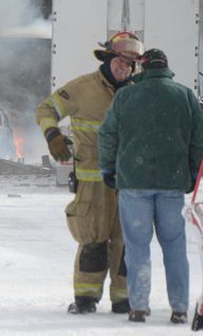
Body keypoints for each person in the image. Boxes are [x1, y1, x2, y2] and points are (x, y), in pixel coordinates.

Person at [35, 31, 144, 315]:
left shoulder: (137, 92)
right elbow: (47, 107)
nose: (126, 68)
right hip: (93, 181)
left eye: (131, 64)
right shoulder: (83, 88)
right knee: (93, 240)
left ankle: (124, 300)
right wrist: (52, 134)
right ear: (108, 59)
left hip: (129, 181)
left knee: (126, 243)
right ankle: (85, 299)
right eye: (121, 61)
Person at [98, 49, 203, 324]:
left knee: (137, 247)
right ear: (166, 68)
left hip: (134, 182)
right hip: (172, 183)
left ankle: (138, 306)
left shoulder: (125, 96)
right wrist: (193, 173)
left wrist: (109, 168)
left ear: (143, 69)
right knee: (174, 246)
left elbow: (107, 135)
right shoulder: (184, 95)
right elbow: (200, 139)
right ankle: (180, 308)